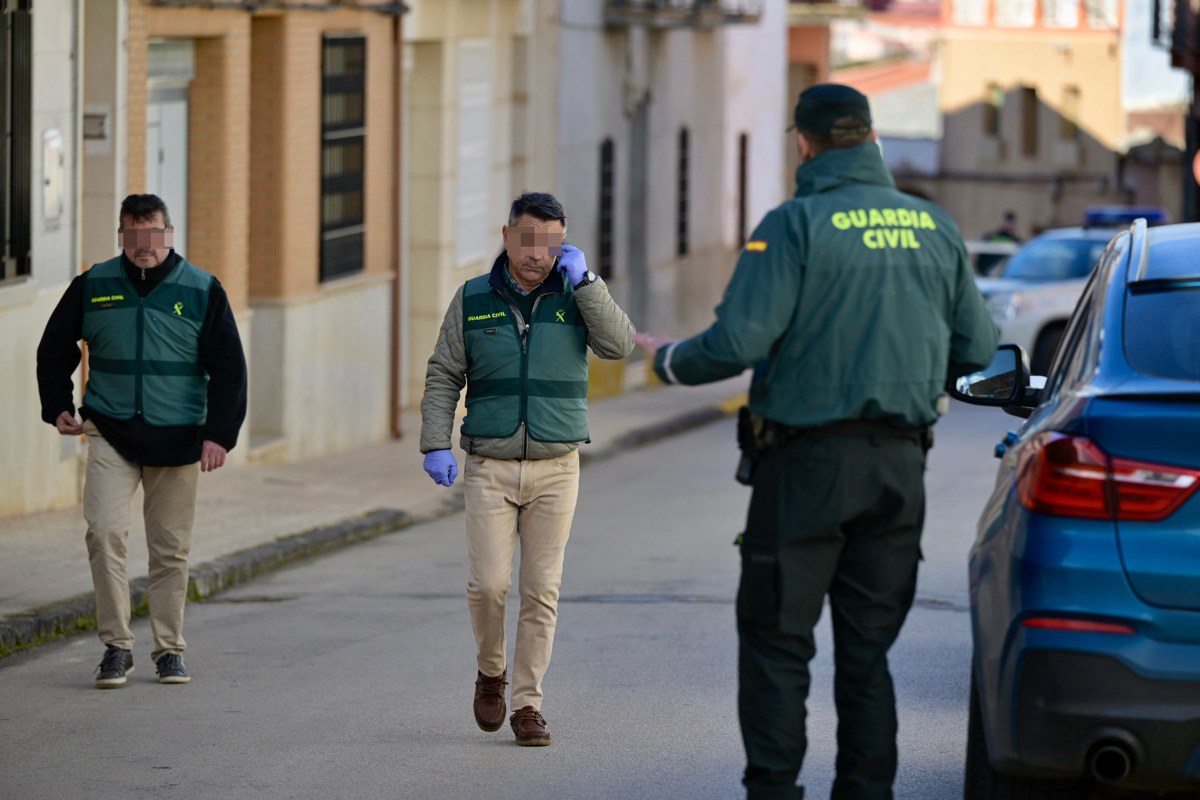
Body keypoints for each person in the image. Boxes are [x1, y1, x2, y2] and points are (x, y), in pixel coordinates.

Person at [634, 84, 998, 799]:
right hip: (899, 469)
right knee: (868, 656)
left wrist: (666, 357)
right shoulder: (934, 226)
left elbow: (737, 342)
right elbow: (979, 346)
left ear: (804, 143)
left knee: (777, 644)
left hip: (803, 470)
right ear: (870, 141)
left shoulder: (793, 225)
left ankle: (774, 791)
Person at [420, 191, 634, 747]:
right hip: (489, 464)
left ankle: (528, 705)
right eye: (529, 239)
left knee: (542, 591)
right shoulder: (472, 298)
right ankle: (491, 672)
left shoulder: (576, 294)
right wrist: (434, 444)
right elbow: (444, 372)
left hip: (557, 466)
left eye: (551, 242)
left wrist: (587, 283)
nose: (538, 253)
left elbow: (619, 345)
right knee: (489, 585)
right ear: (507, 235)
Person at [37, 193, 247, 688]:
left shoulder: (201, 289)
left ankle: (169, 649)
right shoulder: (94, 284)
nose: (143, 247)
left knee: (170, 549)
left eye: (152, 235)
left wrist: (219, 435)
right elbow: (53, 347)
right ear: (122, 237)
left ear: (167, 234)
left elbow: (230, 370)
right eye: (133, 237)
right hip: (110, 431)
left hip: (179, 439)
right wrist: (58, 406)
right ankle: (116, 646)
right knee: (104, 532)